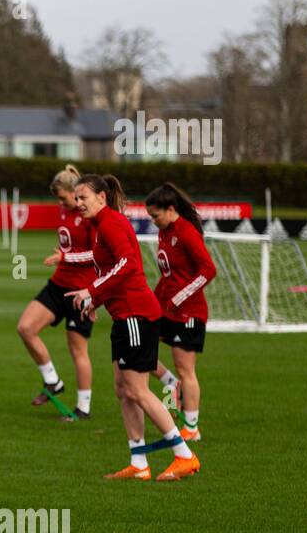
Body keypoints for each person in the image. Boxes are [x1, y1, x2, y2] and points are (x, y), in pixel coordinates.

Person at [65, 175, 200, 482]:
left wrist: (92, 290)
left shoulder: (111, 223)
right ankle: (139, 462)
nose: (78, 203)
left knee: (138, 390)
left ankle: (184, 455)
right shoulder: (100, 226)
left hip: (136, 315)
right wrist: (95, 300)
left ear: (101, 197)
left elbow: (127, 264)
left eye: (83, 197)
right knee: (123, 391)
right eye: (76, 198)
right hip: (124, 316)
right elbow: (116, 269)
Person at [15, 164, 95, 419]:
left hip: (80, 290)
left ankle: (83, 408)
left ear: (76, 193)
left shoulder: (91, 217)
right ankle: (53, 381)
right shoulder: (63, 211)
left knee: (77, 348)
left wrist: (65, 257)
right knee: (25, 327)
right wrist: (65, 258)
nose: (60, 202)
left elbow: (98, 254)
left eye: (62, 197)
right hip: (58, 284)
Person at [146, 183, 216, 443]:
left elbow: (209, 270)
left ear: (171, 209)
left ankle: (192, 427)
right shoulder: (165, 233)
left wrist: (180, 296)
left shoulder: (186, 232)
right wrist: (152, 300)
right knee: (141, 349)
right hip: (168, 310)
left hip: (189, 313)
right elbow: (168, 275)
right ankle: (170, 383)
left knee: (186, 368)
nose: (154, 222)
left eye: (156, 216)